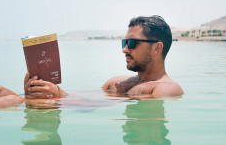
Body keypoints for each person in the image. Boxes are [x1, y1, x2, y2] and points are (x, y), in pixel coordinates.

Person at [25, 15, 183, 99]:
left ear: (157, 48)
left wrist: (58, 95)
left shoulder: (167, 89)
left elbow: (97, 106)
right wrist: (40, 90)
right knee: (0, 92)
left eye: (132, 43)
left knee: (0, 93)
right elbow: (88, 100)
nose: (125, 49)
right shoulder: (114, 83)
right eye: (124, 42)